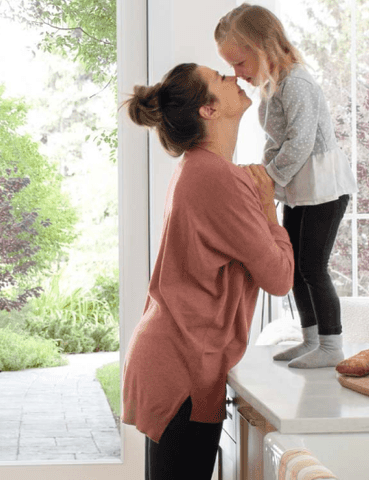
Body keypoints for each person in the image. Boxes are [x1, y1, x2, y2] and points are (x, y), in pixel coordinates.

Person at [120, 63, 294, 479]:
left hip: (169, 353)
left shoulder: (197, 167)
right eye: (220, 78)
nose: (234, 78)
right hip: (183, 364)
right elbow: (280, 278)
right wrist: (269, 206)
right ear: (209, 111)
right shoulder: (218, 177)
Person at [214, 3, 358, 369]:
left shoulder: (297, 84)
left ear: (263, 47)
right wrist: (265, 177)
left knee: (313, 266)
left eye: (240, 63)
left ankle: (331, 343)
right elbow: (277, 143)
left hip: (322, 187)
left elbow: (300, 143)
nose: (237, 74)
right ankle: (311, 338)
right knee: (292, 265)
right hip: (300, 186)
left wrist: (270, 180)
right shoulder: (272, 86)